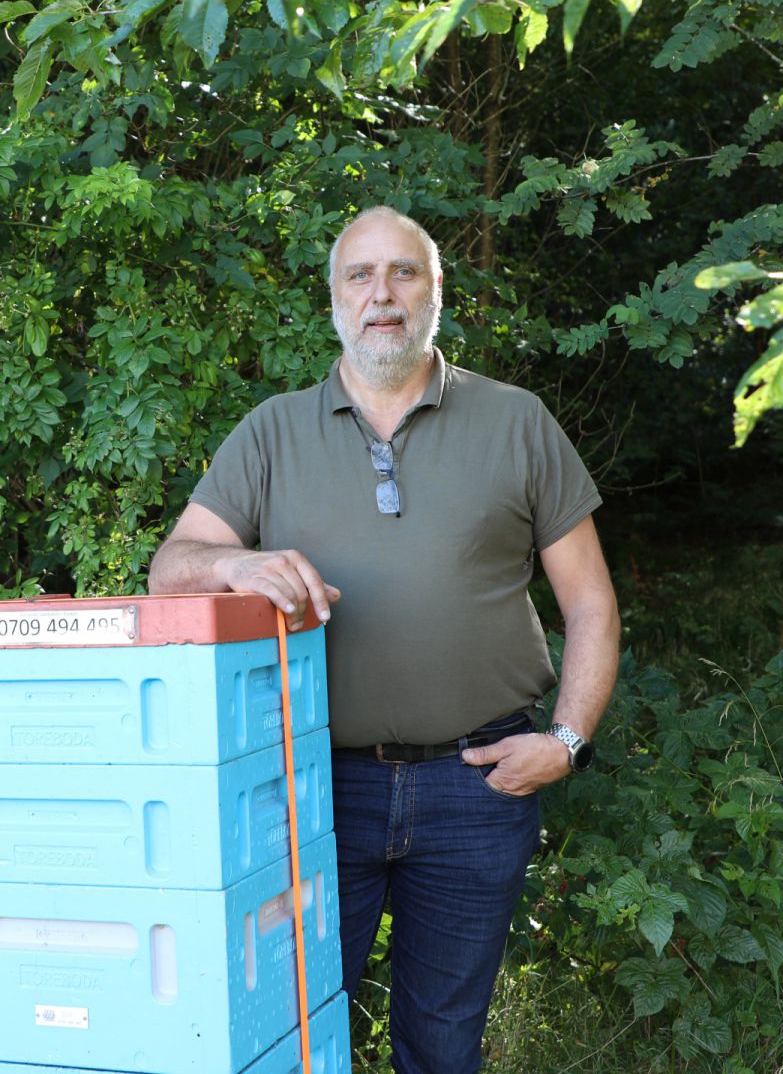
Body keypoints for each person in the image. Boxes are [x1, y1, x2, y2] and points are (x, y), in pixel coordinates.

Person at [148, 205, 620, 1074]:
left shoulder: (517, 421)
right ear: (333, 300)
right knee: (285, 1036)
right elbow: (170, 567)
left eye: (403, 272)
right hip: (312, 793)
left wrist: (566, 742)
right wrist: (237, 566)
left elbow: (592, 605)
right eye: (360, 276)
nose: (382, 295)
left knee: (443, 1043)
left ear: (436, 291)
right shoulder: (272, 430)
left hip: (479, 786)